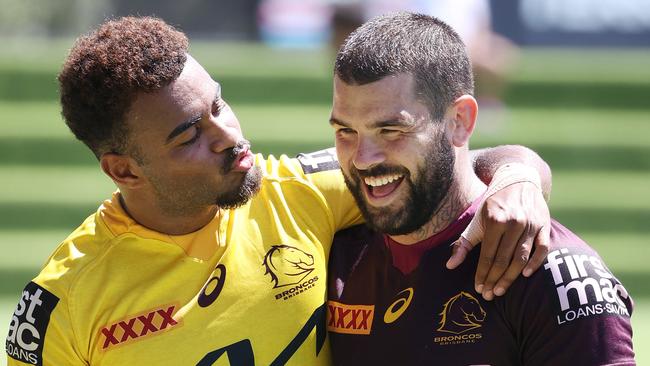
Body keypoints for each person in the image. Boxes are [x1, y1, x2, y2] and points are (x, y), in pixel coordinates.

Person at [5, 16, 551, 365]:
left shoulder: (302, 192)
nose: (229, 135)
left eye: (218, 105)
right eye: (190, 134)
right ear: (124, 171)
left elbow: (450, 163)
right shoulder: (64, 304)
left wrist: (520, 177)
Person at [326, 12, 635, 365]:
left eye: (391, 130)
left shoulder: (550, 273)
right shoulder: (331, 245)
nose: (363, 159)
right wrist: (520, 168)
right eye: (345, 131)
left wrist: (520, 171)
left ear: (460, 121)